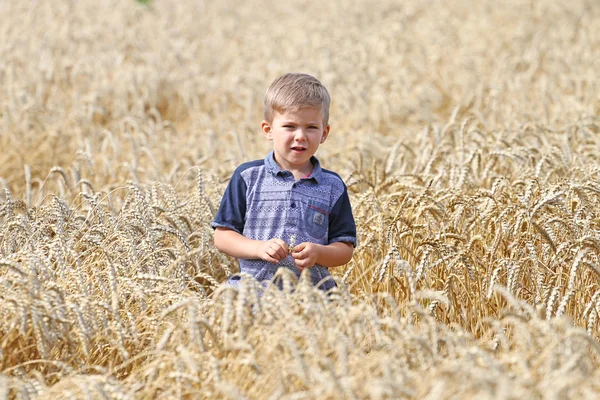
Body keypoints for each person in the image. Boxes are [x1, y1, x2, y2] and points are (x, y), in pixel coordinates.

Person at [211, 73, 356, 291]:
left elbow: (345, 247)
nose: (300, 136)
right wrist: (259, 248)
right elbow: (222, 237)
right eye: (289, 126)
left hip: (312, 299)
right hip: (251, 296)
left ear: (324, 133)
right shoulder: (248, 177)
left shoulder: (332, 186)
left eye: (311, 127)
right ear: (268, 130)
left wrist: (319, 253)